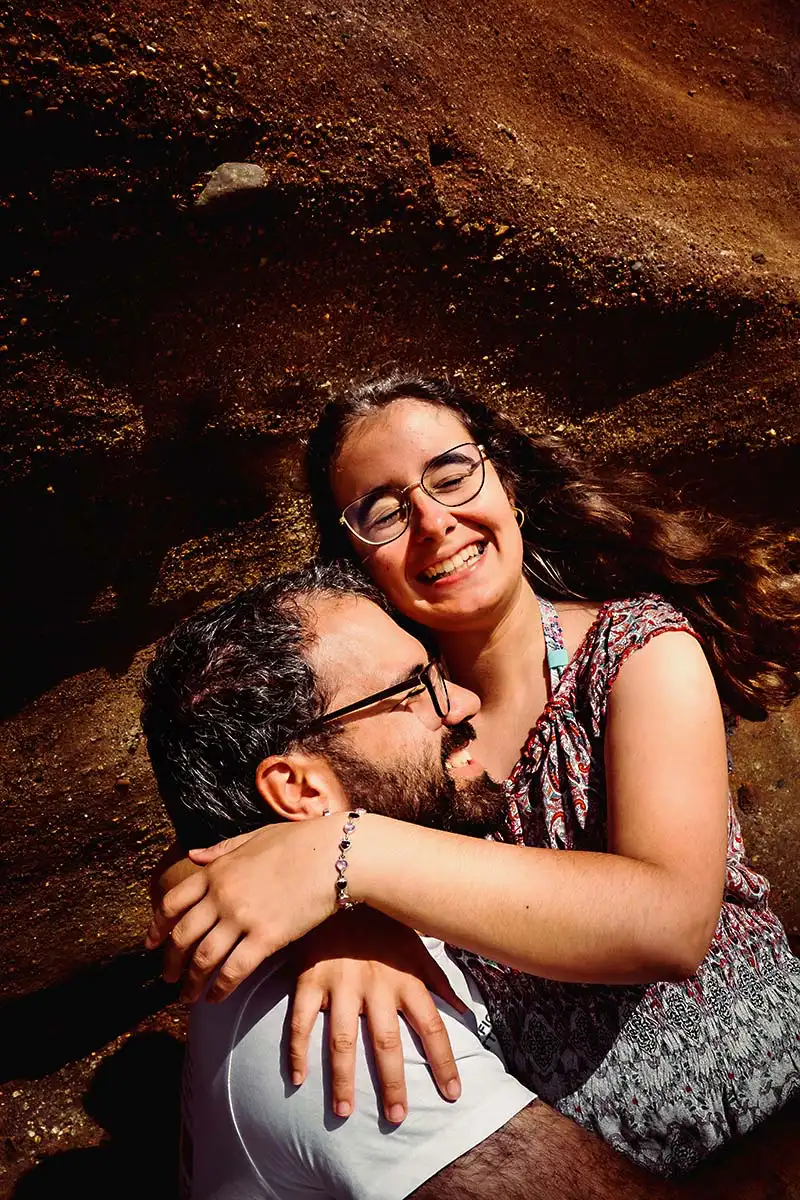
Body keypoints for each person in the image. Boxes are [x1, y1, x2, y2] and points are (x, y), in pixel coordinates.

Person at [149, 374, 800, 1176]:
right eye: (381, 511)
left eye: (451, 473)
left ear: (506, 483)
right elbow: (215, 848)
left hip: (772, 1120)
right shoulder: (385, 724)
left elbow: (666, 924)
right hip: (579, 1164)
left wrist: (347, 861)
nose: (432, 520)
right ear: (353, 557)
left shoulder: (640, 651)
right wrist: (347, 918)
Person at [140, 560, 689, 1200]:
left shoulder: (359, 884)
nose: (465, 700)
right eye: (414, 687)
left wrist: (348, 881)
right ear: (299, 788)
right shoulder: (344, 1038)